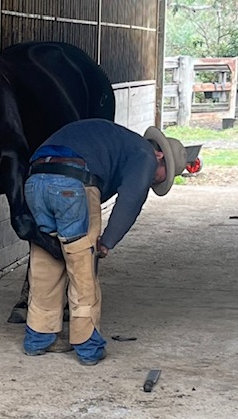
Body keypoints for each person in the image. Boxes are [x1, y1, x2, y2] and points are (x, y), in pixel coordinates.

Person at [23, 118, 187, 366]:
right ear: (160, 155)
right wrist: (107, 242)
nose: (156, 181)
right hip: (74, 181)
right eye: (163, 176)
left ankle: (38, 337)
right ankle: (88, 347)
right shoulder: (145, 155)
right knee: (82, 265)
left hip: (35, 180)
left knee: (45, 259)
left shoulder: (118, 141)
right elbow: (130, 201)